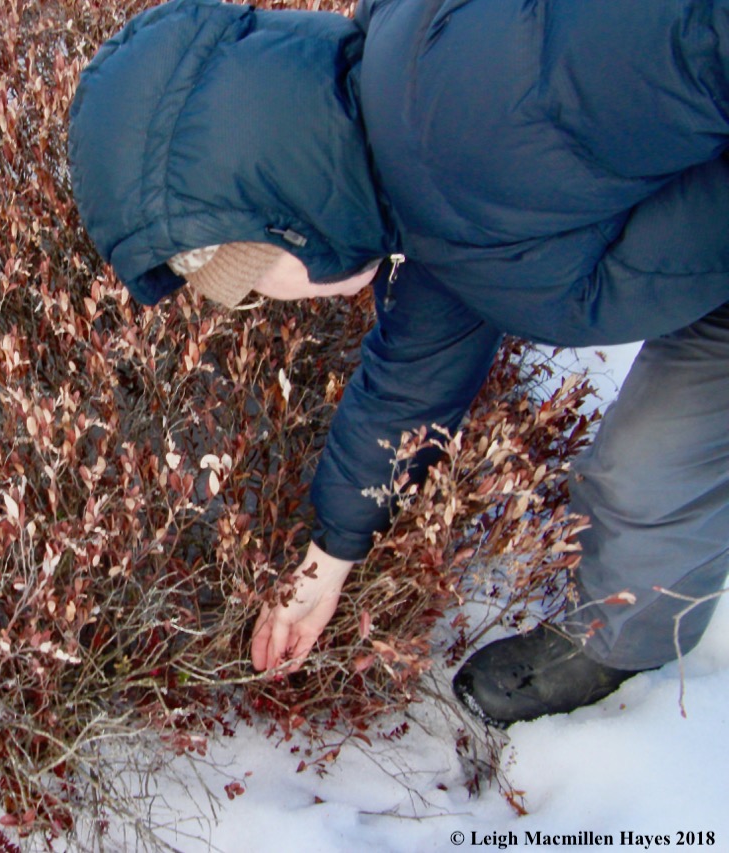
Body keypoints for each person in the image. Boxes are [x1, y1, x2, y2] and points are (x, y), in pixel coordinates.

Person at [67, 0, 729, 727]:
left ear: (276, 220)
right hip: (706, 265)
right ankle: (622, 638)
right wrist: (328, 559)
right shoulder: (418, 177)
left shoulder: (490, 90)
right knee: (644, 469)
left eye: (253, 285)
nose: (277, 302)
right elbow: (413, 376)